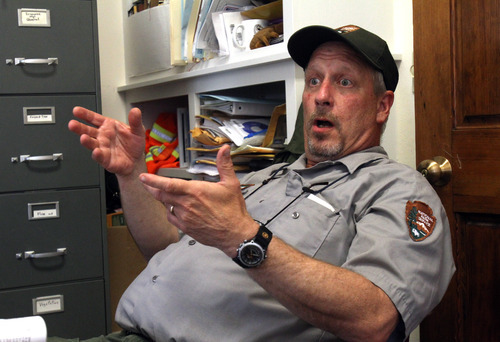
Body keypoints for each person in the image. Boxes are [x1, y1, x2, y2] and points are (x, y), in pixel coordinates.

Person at [60, 25, 455, 342]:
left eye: (344, 83)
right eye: (314, 80)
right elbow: (163, 247)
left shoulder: (397, 191)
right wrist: (131, 173)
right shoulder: (266, 176)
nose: (321, 96)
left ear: (382, 106)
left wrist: (242, 237)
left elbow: (375, 318)